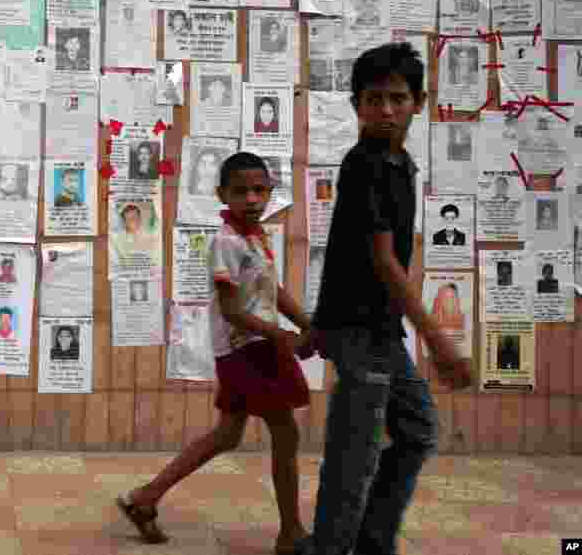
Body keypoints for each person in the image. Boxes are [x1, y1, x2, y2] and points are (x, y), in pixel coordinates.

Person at [297, 43, 471, 555]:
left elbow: (350, 253)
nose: (387, 110)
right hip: (360, 331)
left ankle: (372, 540)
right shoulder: (366, 165)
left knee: (415, 430)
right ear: (357, 105)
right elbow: (381, 261)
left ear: (419, 101)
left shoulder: (400, 165)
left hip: (377, 328)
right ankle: (330, 547)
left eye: (398, 98)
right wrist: (439, 341)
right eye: (374, 99)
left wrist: (317, 324)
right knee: (356, 451)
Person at [117, 152, 314, 554]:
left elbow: (270, 291)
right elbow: (232, 311)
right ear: (222, 194)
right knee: (285, 431)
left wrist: (307, 324)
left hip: (255, 347)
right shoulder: (226, 243)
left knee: (227, 434)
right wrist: (282, 336)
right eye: (241, 191)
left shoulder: (255, 239)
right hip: (248, 350)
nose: (252, 198)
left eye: (260, 190)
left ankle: (145, 499)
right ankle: (291, 531)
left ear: (270, 193)